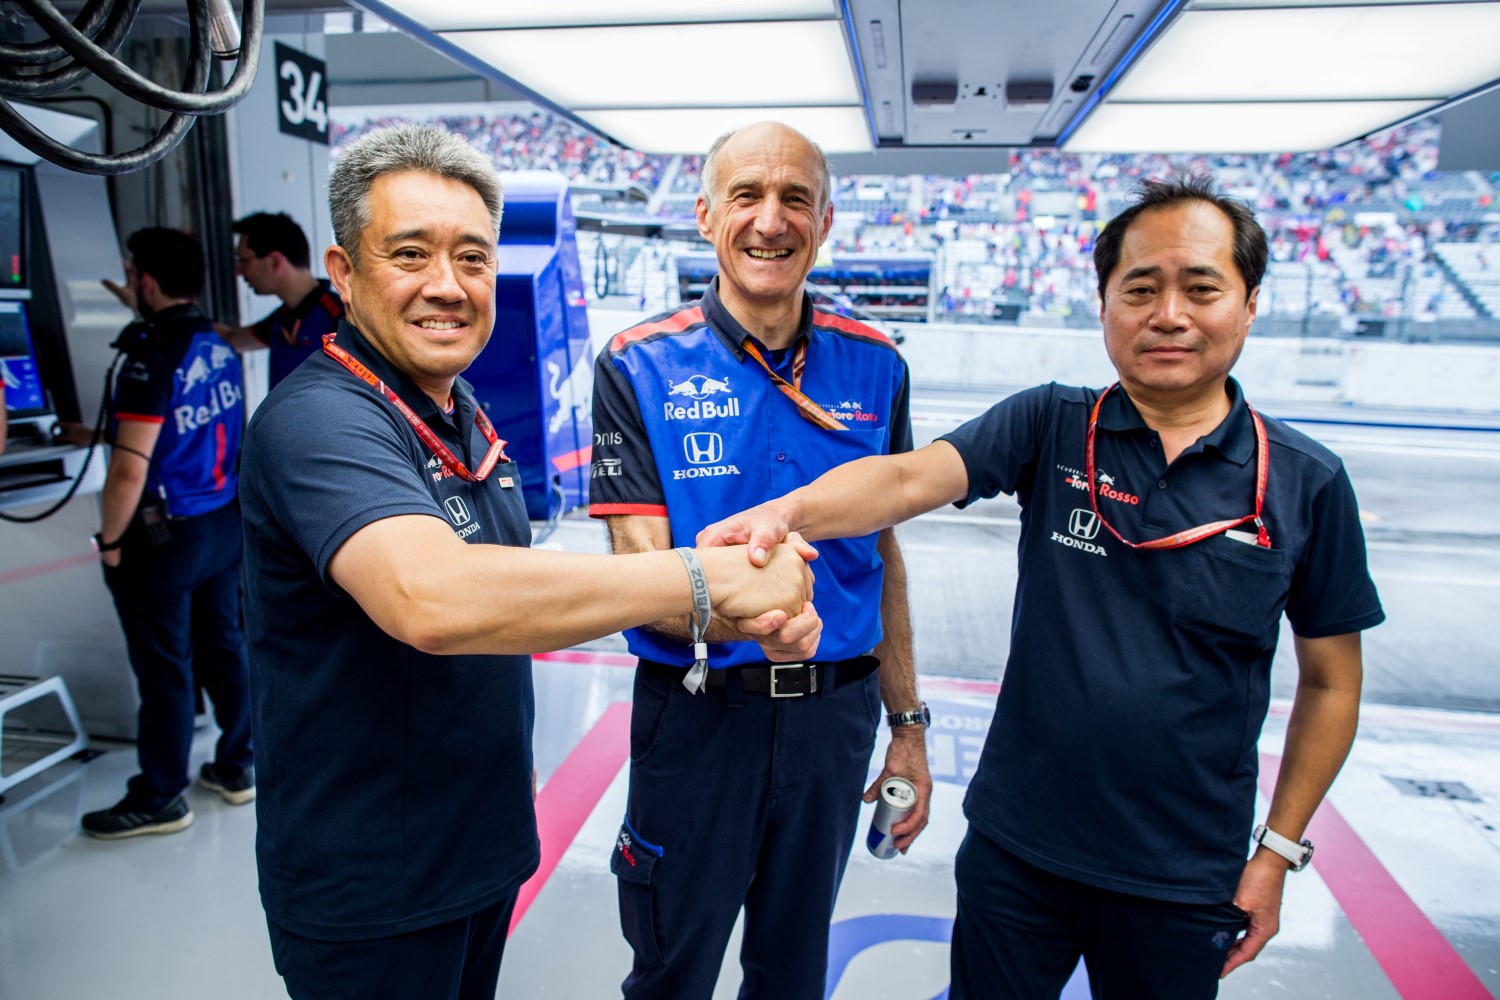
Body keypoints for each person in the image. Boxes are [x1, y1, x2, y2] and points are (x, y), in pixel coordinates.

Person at [700, 176, 1385, 999]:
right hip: (1017, 852)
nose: (1168, 313)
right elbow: (910, 479)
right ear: (1105, 306)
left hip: (1182, 873)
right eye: (1140, 288)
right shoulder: (1053, 425)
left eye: (1200, 288)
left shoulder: (1306, 484)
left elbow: (1333, 681)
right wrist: (785, 511)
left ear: (1247, 304)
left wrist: (1277, 849)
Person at [238, 124, 813, 1000]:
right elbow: (431, 597)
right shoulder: (318, 420)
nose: (448, 285)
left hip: (477, 851)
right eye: (409, 253)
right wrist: (701, 579)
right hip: (370, 886)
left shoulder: (458, 412)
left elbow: (527, 595)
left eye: (473, 258)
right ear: (344, 272)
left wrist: (727, 602)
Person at [588, 120, 932, 1000]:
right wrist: (760, 615)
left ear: (824, 222)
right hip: (698, 718)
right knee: (673, 970)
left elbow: (882, 558)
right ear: (706, 215)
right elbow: (638, 572)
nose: (770, 221)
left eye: (794, 200)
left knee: (792, 973)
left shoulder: (877, 364)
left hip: (836, 723)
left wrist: (907, 729)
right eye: (746, 196)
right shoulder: (639, 363)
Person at [80, 227, 254, 839]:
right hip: (221, 524)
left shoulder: (150, 356)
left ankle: (159, 795)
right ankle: (239, 764)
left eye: (132, 277)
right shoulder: (216, 344)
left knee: (165, 668)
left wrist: (108, 539)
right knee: (224, 647)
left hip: (163, 535)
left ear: (146, 281)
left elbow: (129, 469)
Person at [216, 211, 344, 387]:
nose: (238, 271)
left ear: (275, 262)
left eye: (243, 261)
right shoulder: (283, 320)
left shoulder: (339, 318)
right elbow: (231, 339)